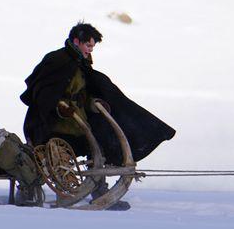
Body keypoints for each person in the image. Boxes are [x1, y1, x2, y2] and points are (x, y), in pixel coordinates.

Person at [20, 22, 176, 207]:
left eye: (93, 46)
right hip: (53, 124)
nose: (90, 49)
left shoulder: (81, 62)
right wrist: (58, 107)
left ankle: (99, 191)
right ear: (76, 41)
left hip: (79, 121)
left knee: (99, 147)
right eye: (88, 45)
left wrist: (93, 104)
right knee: (58, 156)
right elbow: (42, 91)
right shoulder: (57, 60)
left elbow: (83, 93)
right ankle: (56, 191)